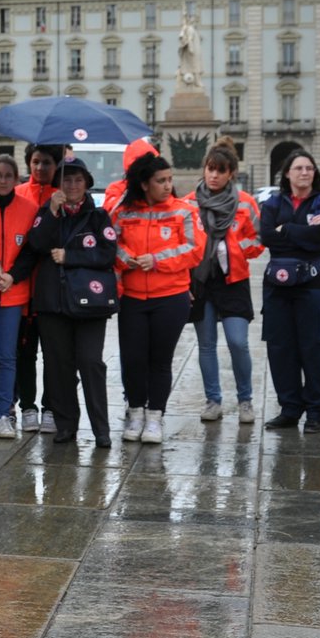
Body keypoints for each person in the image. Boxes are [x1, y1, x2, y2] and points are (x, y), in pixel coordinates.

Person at [7, 157, 116, 446]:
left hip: (89, 304)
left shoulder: (98, 216)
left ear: (87, 183)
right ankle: (66, 424)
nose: (72, 185)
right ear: (58, 185)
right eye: (67, 180)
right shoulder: (47, 212)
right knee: (58, 366)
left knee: (90, 362)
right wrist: (53, 212)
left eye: (78, 180)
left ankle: (101, 429)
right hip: (53, 303)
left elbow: (107, 254)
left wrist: (72, 257)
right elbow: (38, 245)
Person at [112, 153, 204, 444]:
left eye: (169, 180)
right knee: (133, 359)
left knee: (160, 361)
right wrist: (126, 258)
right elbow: (110, 242)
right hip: (133, 298)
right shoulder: (123, 212)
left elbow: (194, 249)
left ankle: (155, 417)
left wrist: (157, 259)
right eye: (160, 181)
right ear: (143, 184)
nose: (167, 186)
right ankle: (136, 412)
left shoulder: (184, 211)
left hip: (171, 297)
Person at [182, 137, 264, 428]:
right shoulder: (189, 202)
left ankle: (245, 401)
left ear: (231, 174)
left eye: (220, 171)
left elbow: (258, 238)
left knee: (238, 342)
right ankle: (213, 401)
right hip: (202, 281)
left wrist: (238, 247)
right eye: (210, 169)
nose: (214, 175)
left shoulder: (245, 203)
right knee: (206, 344)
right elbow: (182, 237)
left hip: (233, 280)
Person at [261, 150, 320, 433]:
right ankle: (290, 408)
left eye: (309, 168)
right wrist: (302, 229)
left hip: (314, 286)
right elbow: (267, 236)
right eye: (298, 168)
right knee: (280, 348)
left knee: (313, 347)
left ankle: (317, 412)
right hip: (277, 287)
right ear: (287, 174)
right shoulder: (272, 203)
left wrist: (287, 229)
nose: (305, 173)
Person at [0, 155, 37, 439]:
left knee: (8, 355)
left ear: (17, 179)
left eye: (8, 176)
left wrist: (13, 275)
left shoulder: (29, 208)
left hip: (14, 291)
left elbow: (30, 250)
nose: (2, 180)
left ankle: (4, 412)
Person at [13, 143, 62, 432]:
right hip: (22, 292)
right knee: (25, 354)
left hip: (52, 291)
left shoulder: (65, 196)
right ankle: (27, 405)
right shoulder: (19, 194)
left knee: (54, 355)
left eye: (46, 163)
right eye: (35, 162)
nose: (40, 168)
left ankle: (51, 407)